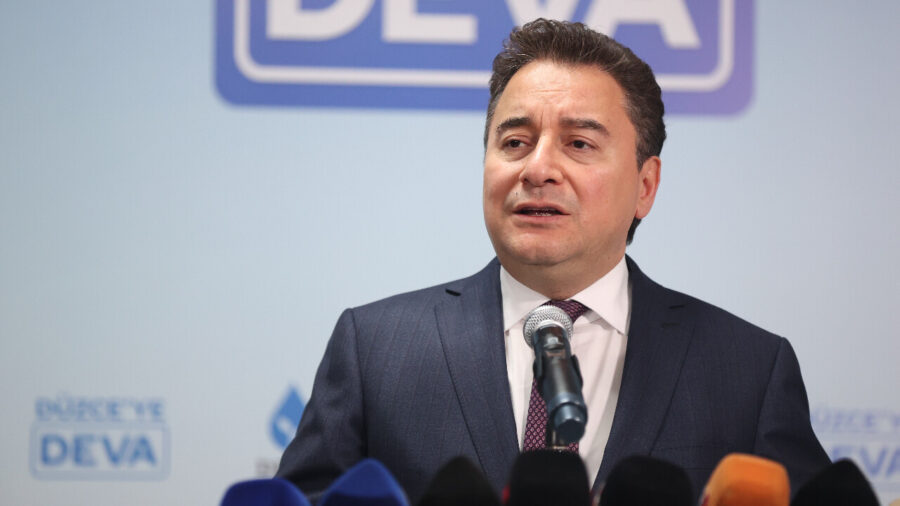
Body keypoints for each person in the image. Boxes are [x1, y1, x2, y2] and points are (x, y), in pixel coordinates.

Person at [276, 19, 830, 503]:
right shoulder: (376, 350)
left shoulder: (748, 369)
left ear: (645, 186)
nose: (537, 169)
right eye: (515, 142)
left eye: (579, 144)